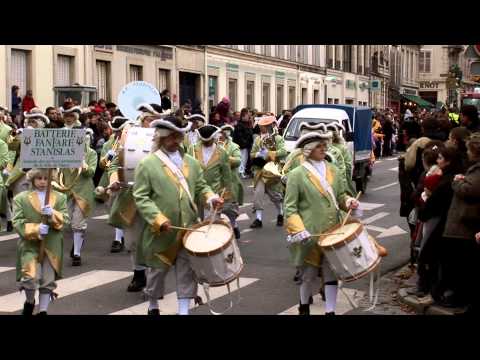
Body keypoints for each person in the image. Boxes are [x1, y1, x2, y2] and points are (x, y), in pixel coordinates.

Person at [132, 114, 224, 315]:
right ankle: (153, 304)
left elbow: (200, 186)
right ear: (161, 138)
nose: (176, 141)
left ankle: (184, 310)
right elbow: (141, 197)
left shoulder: (190, 162)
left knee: (186, 270)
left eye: (178, 137)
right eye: (171, 137)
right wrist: (158, 219)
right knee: (157, 272)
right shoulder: (147, 163)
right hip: (161, 230)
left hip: (188, 228)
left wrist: (211, 197)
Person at [284, 131, 359, 315]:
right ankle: (303, 306)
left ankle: (330, 311)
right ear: (308, 149)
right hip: (310, 233)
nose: (324, 148)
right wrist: (298, 229)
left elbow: (340, 196)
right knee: (308, 275)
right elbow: (290, 208)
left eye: (325, 145)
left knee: (331, 274)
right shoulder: (296, 174)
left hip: (333, 231)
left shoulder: (333, 169)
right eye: (319, 145)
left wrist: (349, 202)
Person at [106, 103, 161, 292]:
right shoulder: (127, 136)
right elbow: (112, 164)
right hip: (132, 195)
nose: (153, 122)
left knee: (156, 240)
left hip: (158, 197)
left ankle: (155, 280)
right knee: (133, 240)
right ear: (142, 119)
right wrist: (114, 181)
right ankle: (139, 274)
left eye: (156, 119)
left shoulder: (168, 138)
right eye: (149, 119)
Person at [13, 168, 69, 315]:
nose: (43, 182)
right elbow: (17, 221)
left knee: (48, 281)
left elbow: (66, 220)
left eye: (46, 178)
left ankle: (43, 311)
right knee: (30, 278)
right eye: (39, 178)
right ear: (32, 179)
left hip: (52, 245)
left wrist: (53, 215)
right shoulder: (21, 198)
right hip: (29, 245)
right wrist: (36, 229)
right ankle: (30, 302)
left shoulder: (60, 197)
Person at [415, 145, 464, 303]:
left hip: (438, 220)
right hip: (441, 219)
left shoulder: (447, 180)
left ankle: (430, 287)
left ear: (448, 161)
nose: (438, 160)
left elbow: (435, 201)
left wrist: (423, 207)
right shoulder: (446, 176)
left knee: (429, 252)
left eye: (441, 158)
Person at [441, 134, 480, 312]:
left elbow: (470, 190)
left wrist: (457, 182)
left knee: (461, 266)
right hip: (462, 223)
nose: (467, 153)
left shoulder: (477, 170)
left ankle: (459, 297)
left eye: (469, 149)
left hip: (465, 223)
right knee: (459, 264)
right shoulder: (474, 168)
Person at [52, 128, 97, 266]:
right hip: (66, 191)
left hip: (83, 191)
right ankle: (75, 243)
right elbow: (57, 171)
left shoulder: (91, 153)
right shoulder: (63, 150)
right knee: (65, 222)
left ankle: (77, 253)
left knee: (78, 223)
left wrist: (83, 165)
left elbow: (91, 173)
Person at [97, 116, 130, 253]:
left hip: (127, 177)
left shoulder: (131, 142)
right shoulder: (107, 144)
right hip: (112, 177)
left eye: (120, 131)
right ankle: (120, 237)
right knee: (114, 207)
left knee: (125, 207)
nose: (118, 134)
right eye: (116, 131)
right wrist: (108, 157)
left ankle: (118, 239)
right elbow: (103, 166)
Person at [187, 124, 233, 222]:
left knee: (211, 223)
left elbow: (226, 175)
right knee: (196, 222)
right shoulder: (192, 149)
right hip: (196, 193)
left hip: (214, 193)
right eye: (204, 140)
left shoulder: (222, 151)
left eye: (209, 139)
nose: (207, 142)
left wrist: (226, 195)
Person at [249, 116, 287, 229]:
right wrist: (257, 155)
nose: (261, 128)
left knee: (275, 196)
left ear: (269, 126)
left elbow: (283, 151)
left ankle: (280, 213)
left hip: (273, 170)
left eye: (263, 126)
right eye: (260, 126)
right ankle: (258, 219)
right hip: (260, 170)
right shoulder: (257, 140)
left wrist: (269, 153)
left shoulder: (278, 138)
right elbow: (251, 154)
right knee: (258, 194)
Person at [218, 124, 243, 239]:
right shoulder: (213, 145)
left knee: (231, 209)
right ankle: (229, 230)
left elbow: (238, 161)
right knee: (219, 209)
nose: (219, 136)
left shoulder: (233, 146)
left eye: (222, 133)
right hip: (217, 182)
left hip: (231, 182)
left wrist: (225, 157)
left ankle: (233, 226)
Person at [233, 108, 254, 179]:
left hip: (245, 145)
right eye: (247, 115)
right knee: (242, 158)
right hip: (242, 146)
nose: (249, 117)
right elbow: (239, 136)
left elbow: (250, 133)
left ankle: (242, 171)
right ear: (243, 116)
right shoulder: (240, 125)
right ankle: (240, 172)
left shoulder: (246, 124)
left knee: (244, 159)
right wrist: (244, 144)